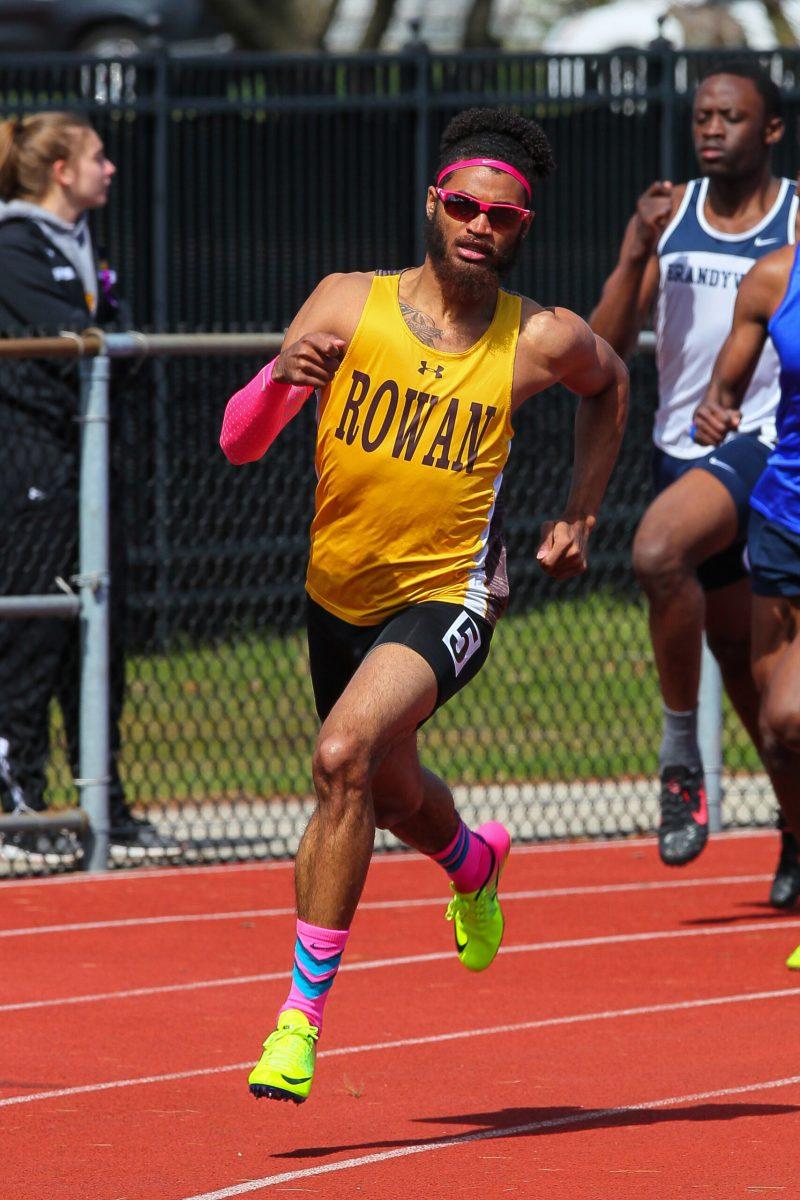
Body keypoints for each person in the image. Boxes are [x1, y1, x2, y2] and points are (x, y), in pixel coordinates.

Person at [220, 106, 628, 1104]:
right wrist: (280, 382)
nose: (479, 224)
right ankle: (469, 858)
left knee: (339, 757)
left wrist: (579, 514)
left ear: (521, 227)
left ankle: (296, 1022)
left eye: (501, 214)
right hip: (337, 595)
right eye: (462, 205)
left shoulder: (539, 338)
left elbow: (607, 387)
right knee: (389, 792)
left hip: (447, 594)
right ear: (431, 206)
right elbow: (238, 442)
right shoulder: (345, 301)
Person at [589, 60, 800, 898]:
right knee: (752, 672)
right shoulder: (668, 215)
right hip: (678, 449)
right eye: (702, 116)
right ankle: (796, 831)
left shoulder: (794, 220)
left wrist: (739, 403)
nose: (712, 129)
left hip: (759, 445)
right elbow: (605, 346)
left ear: (771, 129)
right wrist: (637, 246)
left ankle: (679, 752)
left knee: (656, 548)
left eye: (732, 117)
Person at [0, 111, 181, 868]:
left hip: (86, 461)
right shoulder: (14, 243)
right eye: (98, 158)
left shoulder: (75, 245)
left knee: (98, 627)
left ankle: (103, 800)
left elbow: (115, 338)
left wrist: (108, 338)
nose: (111, 169)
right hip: (34, 461)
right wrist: (104, 339)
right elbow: (74, 344)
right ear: (60, 171)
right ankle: (15, 796)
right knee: (34, 629)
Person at [692, 240, 800, 960]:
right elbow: (723, 390)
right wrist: (714, 409)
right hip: (785, 516)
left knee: (794, 710)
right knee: (780, 727)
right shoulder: (774, 277)